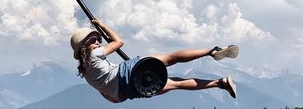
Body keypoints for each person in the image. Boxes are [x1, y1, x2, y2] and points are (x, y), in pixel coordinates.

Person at [70, 18, 239, 103]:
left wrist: (123, 95)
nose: (98, 41)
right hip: (130, 71)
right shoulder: (95, 54)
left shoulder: (86, 74)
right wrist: (103, 25)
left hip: (133, 90)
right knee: (171, 58)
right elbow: (118, 42)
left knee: (178, 84)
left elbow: (110, 97)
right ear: (84, 46)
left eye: (98, 38)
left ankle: (221, 83)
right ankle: (212, 51)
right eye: (93, 40)